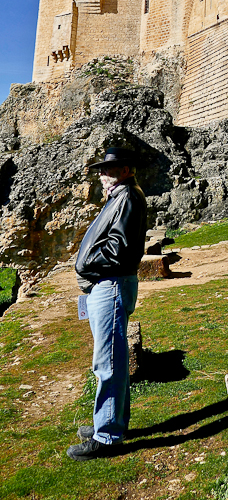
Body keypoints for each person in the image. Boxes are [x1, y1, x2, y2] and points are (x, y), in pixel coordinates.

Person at [66, 147, 147, 461]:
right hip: (107, 284)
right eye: (101, 169)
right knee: (111, 357)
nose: (102, 174)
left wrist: (87, 265)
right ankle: (112, 422)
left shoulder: (127, 197)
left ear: (126, 170)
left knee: (107, 362)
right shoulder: (120, 196)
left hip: (110, 283)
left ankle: (107, 436)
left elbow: (119, 249)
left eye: (109, 169)